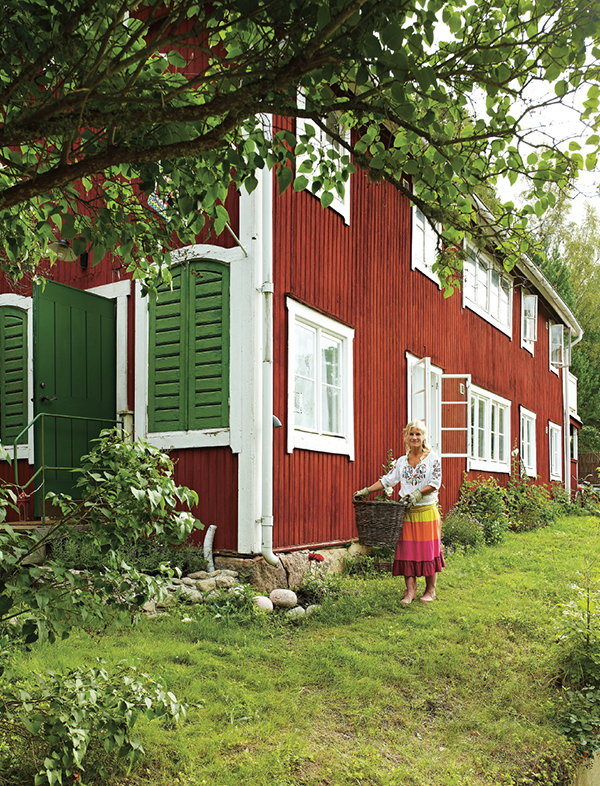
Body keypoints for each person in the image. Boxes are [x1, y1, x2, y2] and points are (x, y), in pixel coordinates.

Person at [353, 420, 444, 605]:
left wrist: (418, 493)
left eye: (418, 434)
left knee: (428, 551)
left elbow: (435, 482)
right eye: (411, 434)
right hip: (407, 512)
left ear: (424, 436)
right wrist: (366, 490)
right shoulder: (402, 461)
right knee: (407, 551)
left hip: (426, 511)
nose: (415, 437)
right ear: (406, 437)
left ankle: (430, 590)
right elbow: (387, 480)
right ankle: (410, 591)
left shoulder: (433, 458)